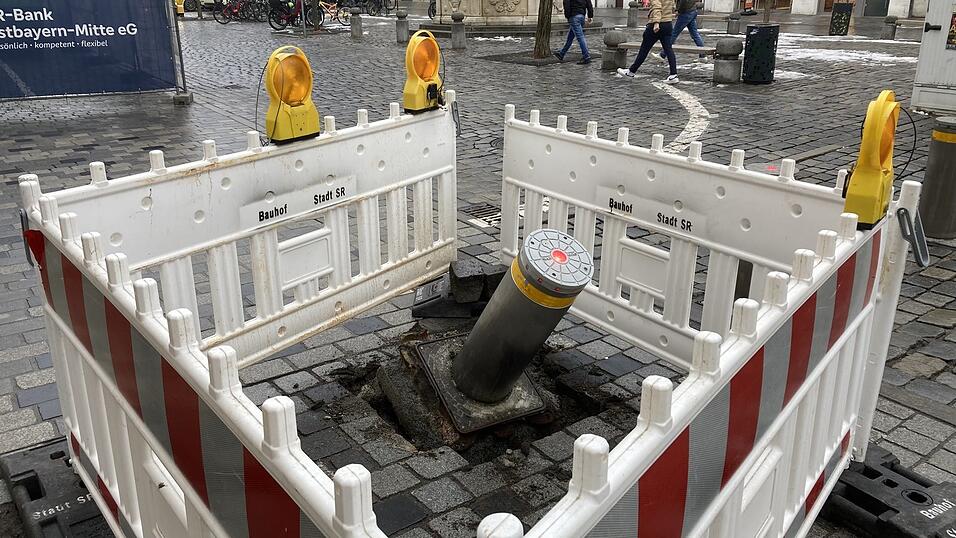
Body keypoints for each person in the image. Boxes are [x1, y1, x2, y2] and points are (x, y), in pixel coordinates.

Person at [616, 0, 679, 84]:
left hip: (656, 25)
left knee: (644, 50)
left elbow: (657, 8)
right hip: (667, 24)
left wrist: (656, 23)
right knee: (668, 50)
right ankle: (673, 75)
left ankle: (631, 72)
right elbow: (673, 6)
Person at [554, 0, 594, 65]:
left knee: (580, 37)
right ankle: (561, 53)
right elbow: (589, 5)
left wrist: (568, 16)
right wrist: (590, 16)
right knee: (570, 37)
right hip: (581, 17)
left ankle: (586, 56)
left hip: (574, 17)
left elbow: (566, 5)